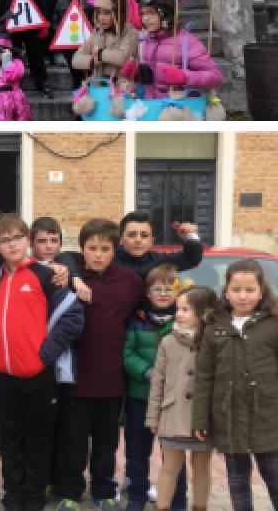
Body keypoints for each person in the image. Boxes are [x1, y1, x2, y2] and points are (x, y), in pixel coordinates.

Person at [0, 213, 84, 511]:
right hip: (2, 375)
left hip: (38, 375)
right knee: (9, 440)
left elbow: (73, 317)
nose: (13, 244)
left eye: (17, 237)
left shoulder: (46, 275)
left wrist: (43, 355)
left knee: (38, 441)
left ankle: (33, 499)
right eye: (5, 240)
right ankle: (13, 497)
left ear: (27, 240)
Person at [52, 219, 145, 511]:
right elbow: (55, 260)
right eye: (92, 248)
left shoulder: (129, 282)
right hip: (76, 379)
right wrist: (74, 276)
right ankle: (70, 492)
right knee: (73, 443)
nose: (98, 254)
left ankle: (104, 490)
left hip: (112, 379)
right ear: (82, 250)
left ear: (114, 250)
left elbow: (151, 306)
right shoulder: (68, 276)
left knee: (107, 444)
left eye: (105, 249)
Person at [193, 259, 278, 511]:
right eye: (236, 290)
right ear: (226, 291)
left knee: (273, 475)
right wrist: (200, 418)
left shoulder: (273, 325)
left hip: (268, 416)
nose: (243, 296)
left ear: (261, 290)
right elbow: (204, 375)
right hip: (227, 416)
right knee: (237, 477)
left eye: (249, 290)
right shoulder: (214, 327)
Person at [145, 285, 216, 511]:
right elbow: (158, 382)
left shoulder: (214, 342)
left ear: (204, 313)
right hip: (173, 415)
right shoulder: (168, 341)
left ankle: (199, 507)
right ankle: (162, 507)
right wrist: (152, 417)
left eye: (186, 309)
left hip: (203, 418)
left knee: (202, 467)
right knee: (169, 468)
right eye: (178, 309)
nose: (179, 314)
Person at [122, 266, 185, 511]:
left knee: (174, 453)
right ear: (148, 292)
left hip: (173, 400)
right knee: (137, 451)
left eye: (168, 288)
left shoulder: (184, 319)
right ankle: (137, 496)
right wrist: (146, 371)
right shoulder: (136, 319)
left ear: (177, 291)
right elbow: (127, 353)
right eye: (157, 288)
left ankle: (178, 500)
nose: (162, 293)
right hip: (141, 395)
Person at [135, 0, 222, 99]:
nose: (145, 19)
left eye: (151, 13)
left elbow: (215, 76)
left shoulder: (187, 41)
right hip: (151, 107)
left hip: (176, 110)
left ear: (166, 13)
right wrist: (136, 74)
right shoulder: (145, 40)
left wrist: (184, 77)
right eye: (142, 14)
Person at [0, 0, 53, 97]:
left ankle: (42, 82)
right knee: (14, 56)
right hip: (13, 28)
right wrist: (2, 23)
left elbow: (41, 3)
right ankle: (14, 82)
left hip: (31, 27)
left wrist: (44, 23)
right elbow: (1, 6)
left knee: (35, 55)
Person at [71, 0, 137, 82]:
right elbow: (76, 59)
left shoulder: (129, 32)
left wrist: (100, 53)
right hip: (101, 84)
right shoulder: (97, 33)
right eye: (99, 13)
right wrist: (92, 61)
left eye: (107, 13)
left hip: (121, 85)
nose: (101, 18)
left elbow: (123, 57)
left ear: (118, 13)